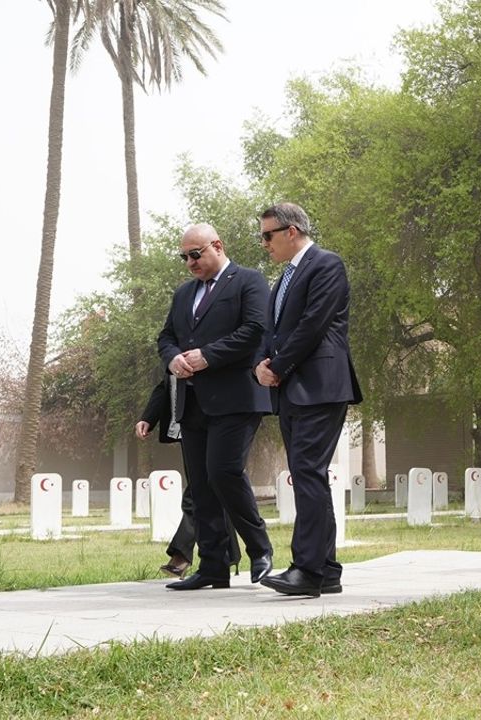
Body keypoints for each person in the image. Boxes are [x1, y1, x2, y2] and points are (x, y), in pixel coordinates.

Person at [157, 223, 274, 591]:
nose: (190, 262)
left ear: (217, 246)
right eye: (184, 257)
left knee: (223, 472)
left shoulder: (248, 281)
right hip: (193, 403)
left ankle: (260, 549)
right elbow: (166, 337)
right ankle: (213, 566)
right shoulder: (183, 295)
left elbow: (256, 329)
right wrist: (173, 358)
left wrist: (209, 355)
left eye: (196, 254)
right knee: (202, 485)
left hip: (236, 397)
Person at [255, 202, 362, 597]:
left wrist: (278, 366)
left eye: (268, 235)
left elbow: (312, 326)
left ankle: (307, 570)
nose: (264, 243)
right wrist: (261, 366)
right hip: (290, 387)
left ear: (292, 231)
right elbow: (273, 330)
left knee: (307, 473)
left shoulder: (326, 265)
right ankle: (328, 569)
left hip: (321, 385)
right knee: (307, 474)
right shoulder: (283, 279)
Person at [134, 374, 239, 577]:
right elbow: (166, 384)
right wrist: (148, 417)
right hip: (187, 425)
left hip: (218, 420)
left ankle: (182, 553)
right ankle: (228, 554)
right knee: (211, 488)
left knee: (202, 489)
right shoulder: (175, 346)